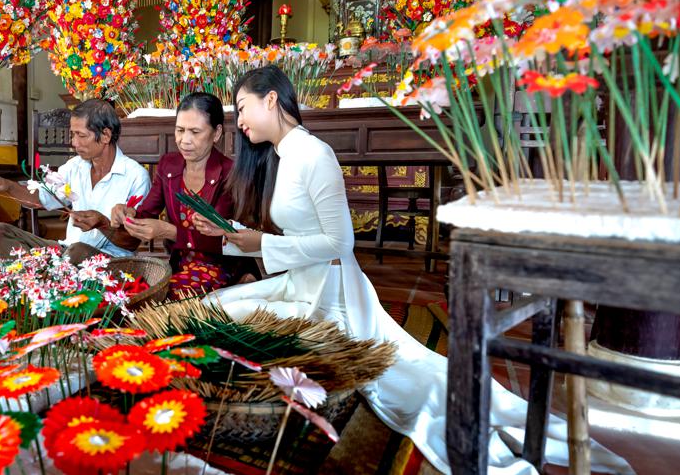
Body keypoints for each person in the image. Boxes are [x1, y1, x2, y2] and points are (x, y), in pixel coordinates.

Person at [193, 65, 631, 475]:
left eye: (242, 108)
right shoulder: (281, 157)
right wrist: (233, 237)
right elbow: (293, 235)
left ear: (271, 100)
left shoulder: (314, 155)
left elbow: (340, 244)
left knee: (251, 331)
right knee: (215, 307)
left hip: (332, 292)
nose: (240, 120)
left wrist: (262, 244)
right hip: (300, 281)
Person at [110, 92, 252, 297]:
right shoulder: (169, 165)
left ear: (217, 133)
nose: (185, 140)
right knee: (126, 292)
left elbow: (222, 239)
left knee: (161, 297)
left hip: (222, 266)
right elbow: (145, 213)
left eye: (195, 132)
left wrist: (169, 231)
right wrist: (126, 214)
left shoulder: (230, 173)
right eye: (180, 130)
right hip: (178, 266)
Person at [0, 99, 149, 261]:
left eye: (81, 135)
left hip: (110, 260)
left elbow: (132, 242)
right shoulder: (75, 166)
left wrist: (103, 223)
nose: (74, 143)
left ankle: (48, 274)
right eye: (72, 134)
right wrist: (8, 186)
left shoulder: (135, 176)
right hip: (67, 251)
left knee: (77, 251)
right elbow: (41, 196)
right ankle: (55, 273)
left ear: (105, 135)